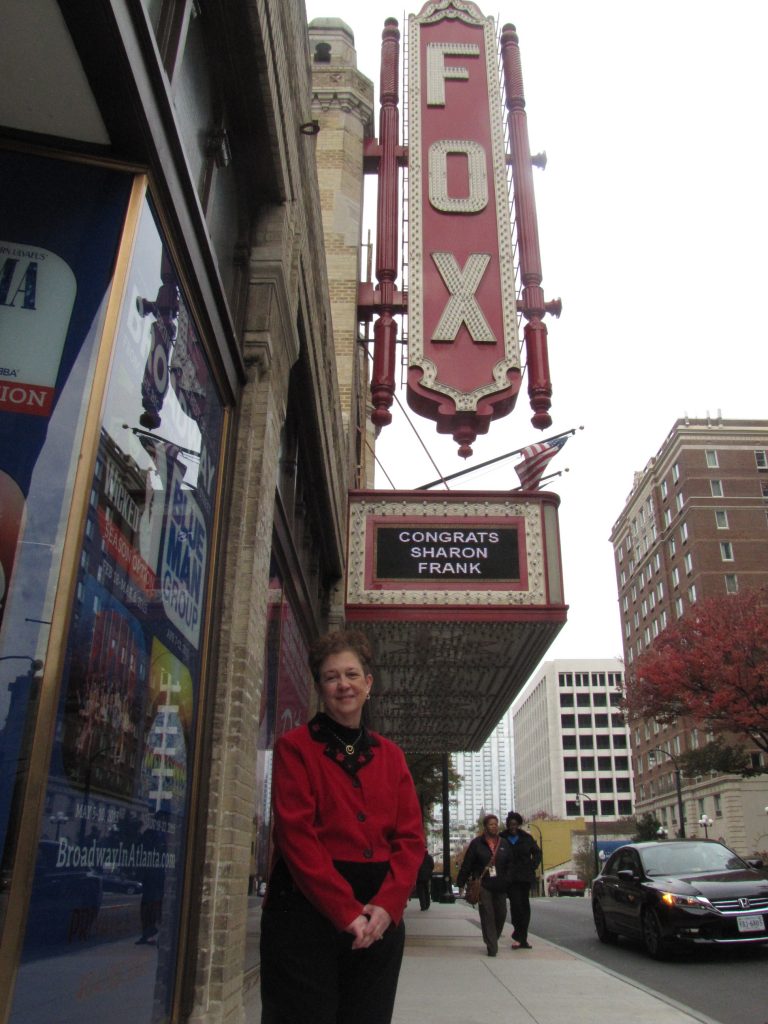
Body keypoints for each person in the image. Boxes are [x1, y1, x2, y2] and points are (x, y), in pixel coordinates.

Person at [259, 630, 425, 1024]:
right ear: (320, 687)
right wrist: (346, 912)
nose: (343, 684)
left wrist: (388, 906)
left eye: (352, 674)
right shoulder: (294, 747)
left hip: (378, 914)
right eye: (332, 676)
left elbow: (411, 838)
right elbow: (296, 837)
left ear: (368, 683)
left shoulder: (392, 756)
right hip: (303, 910)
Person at [456, 813, 512, 957]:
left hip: (500, 885)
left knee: (501, 914)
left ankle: (493, 937)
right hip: (483, 884)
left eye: (496, 824)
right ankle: (492, 946)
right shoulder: (477, 843)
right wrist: (461, 883)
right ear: (485, 827)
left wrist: (508, 880)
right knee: (487, 914)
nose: (494, 826)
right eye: (491, 824)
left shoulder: (504, 844)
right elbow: (467, 864)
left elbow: (510, 864)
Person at [501, 811, 541, 950]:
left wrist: (533, 865)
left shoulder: (526, 838)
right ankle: (518, 936)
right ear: (507, 825)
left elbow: (537, 852)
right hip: (510, 878)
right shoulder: (502, 838)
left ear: (518, 824)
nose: (513, 827)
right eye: (510, 824)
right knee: (516, 906)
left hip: (525, 877)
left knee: (525, 906)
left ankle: (522, 937)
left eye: (515, 824)